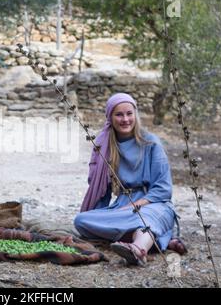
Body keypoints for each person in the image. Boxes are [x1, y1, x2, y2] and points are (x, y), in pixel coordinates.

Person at [74, 93, 187, 266]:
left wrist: (135, 205)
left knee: (145, 219)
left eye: (129, 113)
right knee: (81, 221)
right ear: (110, 117)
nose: (125, 119)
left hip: (155, 205)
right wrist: (101, 214)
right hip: (122, 206)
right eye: (119, 114)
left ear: (135, 115)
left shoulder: (151, 143)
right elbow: (101, 190)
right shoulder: (105, 146)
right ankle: (159, 240)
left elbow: (163, 190)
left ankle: (137, 250)